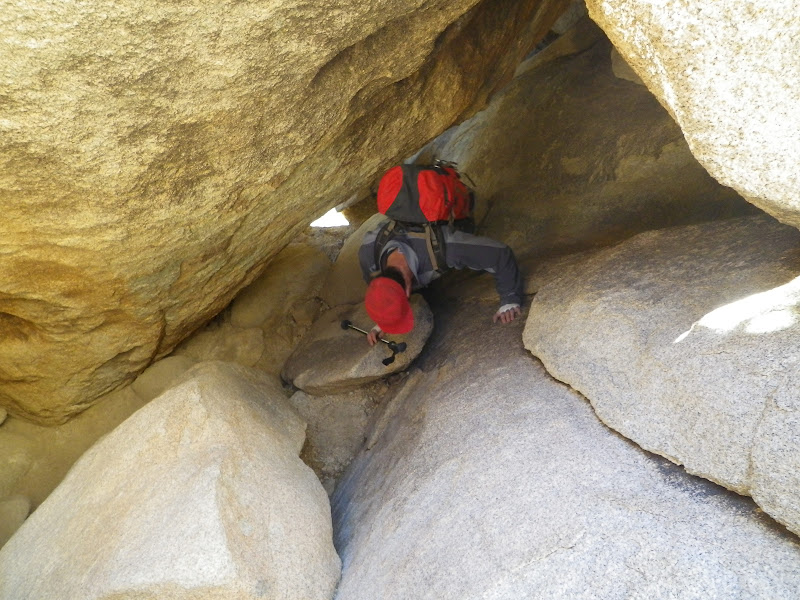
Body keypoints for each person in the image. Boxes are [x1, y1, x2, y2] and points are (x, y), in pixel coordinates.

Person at [358, 220, 524, 345]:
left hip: (438, 226)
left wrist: (509, 299)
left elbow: (500, 254)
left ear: (409, 292)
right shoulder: (368, 257)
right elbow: (384, 294)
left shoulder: (444, 249)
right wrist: (383, 322)